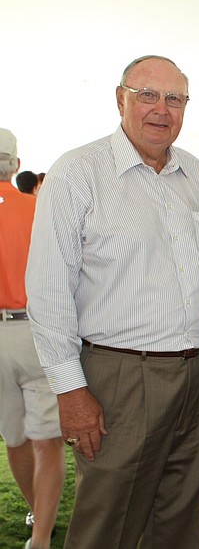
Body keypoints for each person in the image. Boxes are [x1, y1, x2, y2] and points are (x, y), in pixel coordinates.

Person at [25, 55, 199, 549]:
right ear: (119, 98)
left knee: (178, 524)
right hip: (118, 377)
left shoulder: (195, 172)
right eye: (148, 95)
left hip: (194, 376)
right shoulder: (79, 172)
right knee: (108, 527)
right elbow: (49, 288)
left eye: (174, 98)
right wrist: (70, 392)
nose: (161, 109)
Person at [1, 128, 64, 549]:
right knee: (47, 440)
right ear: (16, 165)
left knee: (15, 435)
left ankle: (35, 511)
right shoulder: (39, 209)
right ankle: (40, 535)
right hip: (37, 330)